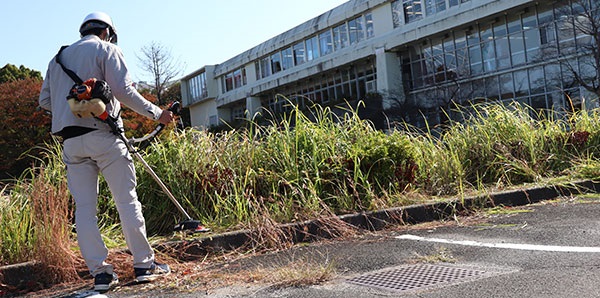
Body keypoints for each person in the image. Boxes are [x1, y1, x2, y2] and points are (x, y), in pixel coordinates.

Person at [39, 12, 172, 292]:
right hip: (105, 138)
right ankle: (144, 265)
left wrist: (75, 107)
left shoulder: (57, 59)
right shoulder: (107, 49)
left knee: (85, 210)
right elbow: (124, 92)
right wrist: (158, 114)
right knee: (126, 202)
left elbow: (46, 101)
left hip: (72, 143)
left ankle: (101, 274)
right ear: (107, 32)